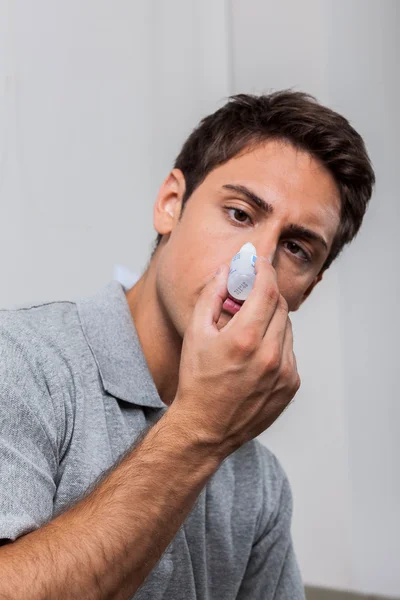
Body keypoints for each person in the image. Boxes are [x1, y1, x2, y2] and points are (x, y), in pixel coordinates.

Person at [0, 90, 375, 599]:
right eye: (240, 214)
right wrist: (200, 429)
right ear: (170, 205)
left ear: (307, 288)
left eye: (295, 248)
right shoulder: (20, 363)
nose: (255, 267)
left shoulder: (259, 484)